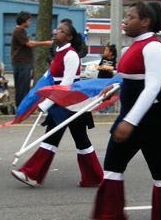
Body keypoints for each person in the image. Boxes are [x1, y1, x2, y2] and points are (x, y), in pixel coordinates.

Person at [81, 2, 161, 220]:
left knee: (160, 172)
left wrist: (130, 121)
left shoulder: (154, 48)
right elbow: (133, 80)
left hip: (154, 120)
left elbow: (152, 88)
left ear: (145, 21)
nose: (125, 21)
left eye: (130, 17)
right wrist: (115, 86)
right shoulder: (134, 46)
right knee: (113, 168)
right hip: (131, 117)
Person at [11, 22, 103, 188]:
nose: (55, 33)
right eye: (56, 30)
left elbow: (66, 85)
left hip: (70, 102)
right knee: (79, 140)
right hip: (62, 101)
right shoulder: (59, 53)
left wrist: (46, 103)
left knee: (58, 138)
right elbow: (53, 78)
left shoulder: (71, 55)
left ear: (68, 37)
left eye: (60, 31)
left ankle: (32, 174)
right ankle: (94, 177)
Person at [11, 11, 52, 108]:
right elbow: (29, 44)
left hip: (25, 62)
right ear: (23, 21)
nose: (30, 23)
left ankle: (24, 105)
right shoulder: (18, 31)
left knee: (25, 86)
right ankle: (20, 106)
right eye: (29, 21)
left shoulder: (22, 31)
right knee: (21, 86)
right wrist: (45, 43)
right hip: (21, 63)